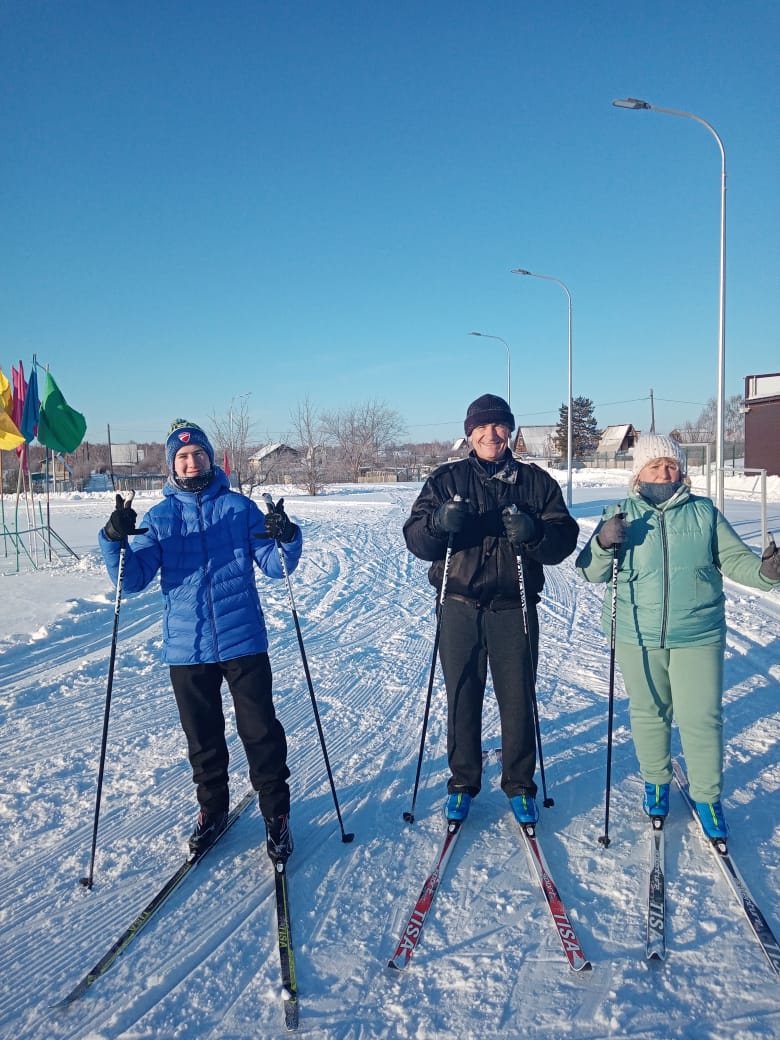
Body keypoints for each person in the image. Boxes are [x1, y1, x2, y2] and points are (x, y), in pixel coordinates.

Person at [98, 419, 302, 863]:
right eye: (183, 457)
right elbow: (131, 581)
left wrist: (286, 535)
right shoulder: (159, 518)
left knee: (261, 731)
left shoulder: (239, 508)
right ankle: (212, 810)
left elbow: (275, 565)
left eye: (199, 455)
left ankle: (276, 815)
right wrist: (115, 540)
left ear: (210, 458)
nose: (192, 463)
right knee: (203, 739)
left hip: (243, 640)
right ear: (173, 464)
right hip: (186, 648)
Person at [576, 434, 780, 840]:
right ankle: (656, 782)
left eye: (671, 465)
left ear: (682, 470)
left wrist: (765, 573)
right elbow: (589, 571)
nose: (664, 472)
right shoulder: (620, 514)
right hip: (637, 631)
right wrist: (602, 541)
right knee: (649, 713)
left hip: (698, 632)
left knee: (701, 718)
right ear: (639, 473)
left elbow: (735, 560)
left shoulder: (704, 513)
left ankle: (706, 796)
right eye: (655, 466)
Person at [403, 394, 579, 825]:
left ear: (510, 432)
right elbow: (415, 538)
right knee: (463, 693)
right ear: (469, 433)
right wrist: (438, 523)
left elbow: (563, 539)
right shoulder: (446, 480)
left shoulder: (535, 482)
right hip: (459, 605)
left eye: (499, 427)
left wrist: (534, 532)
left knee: (517, 697)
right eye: (482, 427)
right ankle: (463, 782)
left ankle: (520, 784)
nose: (491, 434)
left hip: (513, 606)